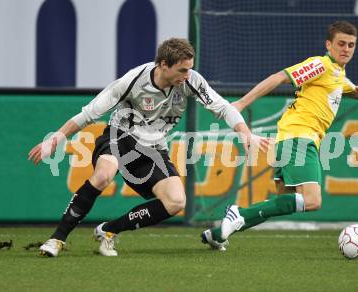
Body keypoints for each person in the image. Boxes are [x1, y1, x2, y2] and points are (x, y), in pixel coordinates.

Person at [28, 38, 269, 257]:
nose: (187, 74)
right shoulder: (133, 80)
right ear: (164, 64)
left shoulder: (191, 81)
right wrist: (56, 139)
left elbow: (224, 107)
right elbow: (89, 114)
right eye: (182, 69)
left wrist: (245, 133)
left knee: (176, 202)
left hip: (153, 147)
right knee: (103, 175)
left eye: (189, 68)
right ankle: (57, 239)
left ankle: (109, 231)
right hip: (119, 136)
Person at [201, 21, 358, 249]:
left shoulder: (337, 74)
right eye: (341, 44)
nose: (346, 49)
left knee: (281, 202)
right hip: (300, 137)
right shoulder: (321, 65)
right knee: (312, 200)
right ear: (329, 44)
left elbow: (356, 90)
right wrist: (241, 103)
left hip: (290, 138)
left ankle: (218, 233)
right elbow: (280, 77)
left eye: (351, 45)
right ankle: (237, 213)